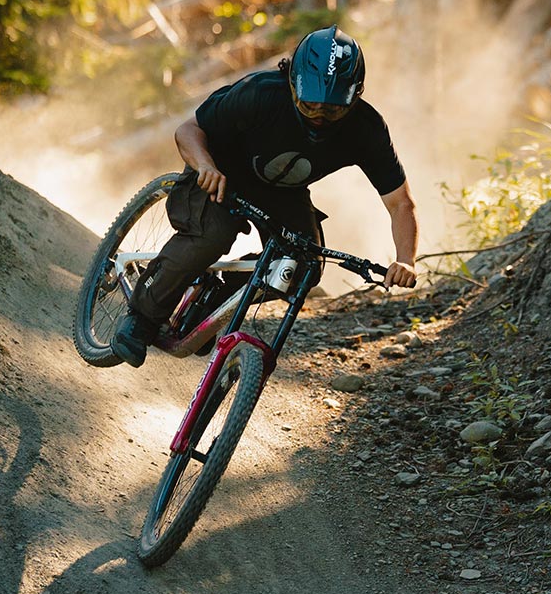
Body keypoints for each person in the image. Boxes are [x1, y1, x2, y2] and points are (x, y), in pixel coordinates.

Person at [111, 26, 418, 367]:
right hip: (221, 172)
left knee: (303, 268)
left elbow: (400, 203)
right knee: (213, 234)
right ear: (292, 84)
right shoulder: (259, 94)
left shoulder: (367, 129)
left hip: (283, 191)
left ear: (355, 95)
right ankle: (141, 317)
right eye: (309, 104)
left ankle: (216, 300)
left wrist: (406, 259)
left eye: (332, 111)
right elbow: (188, 130)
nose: (318, 117)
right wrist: (205, 166)